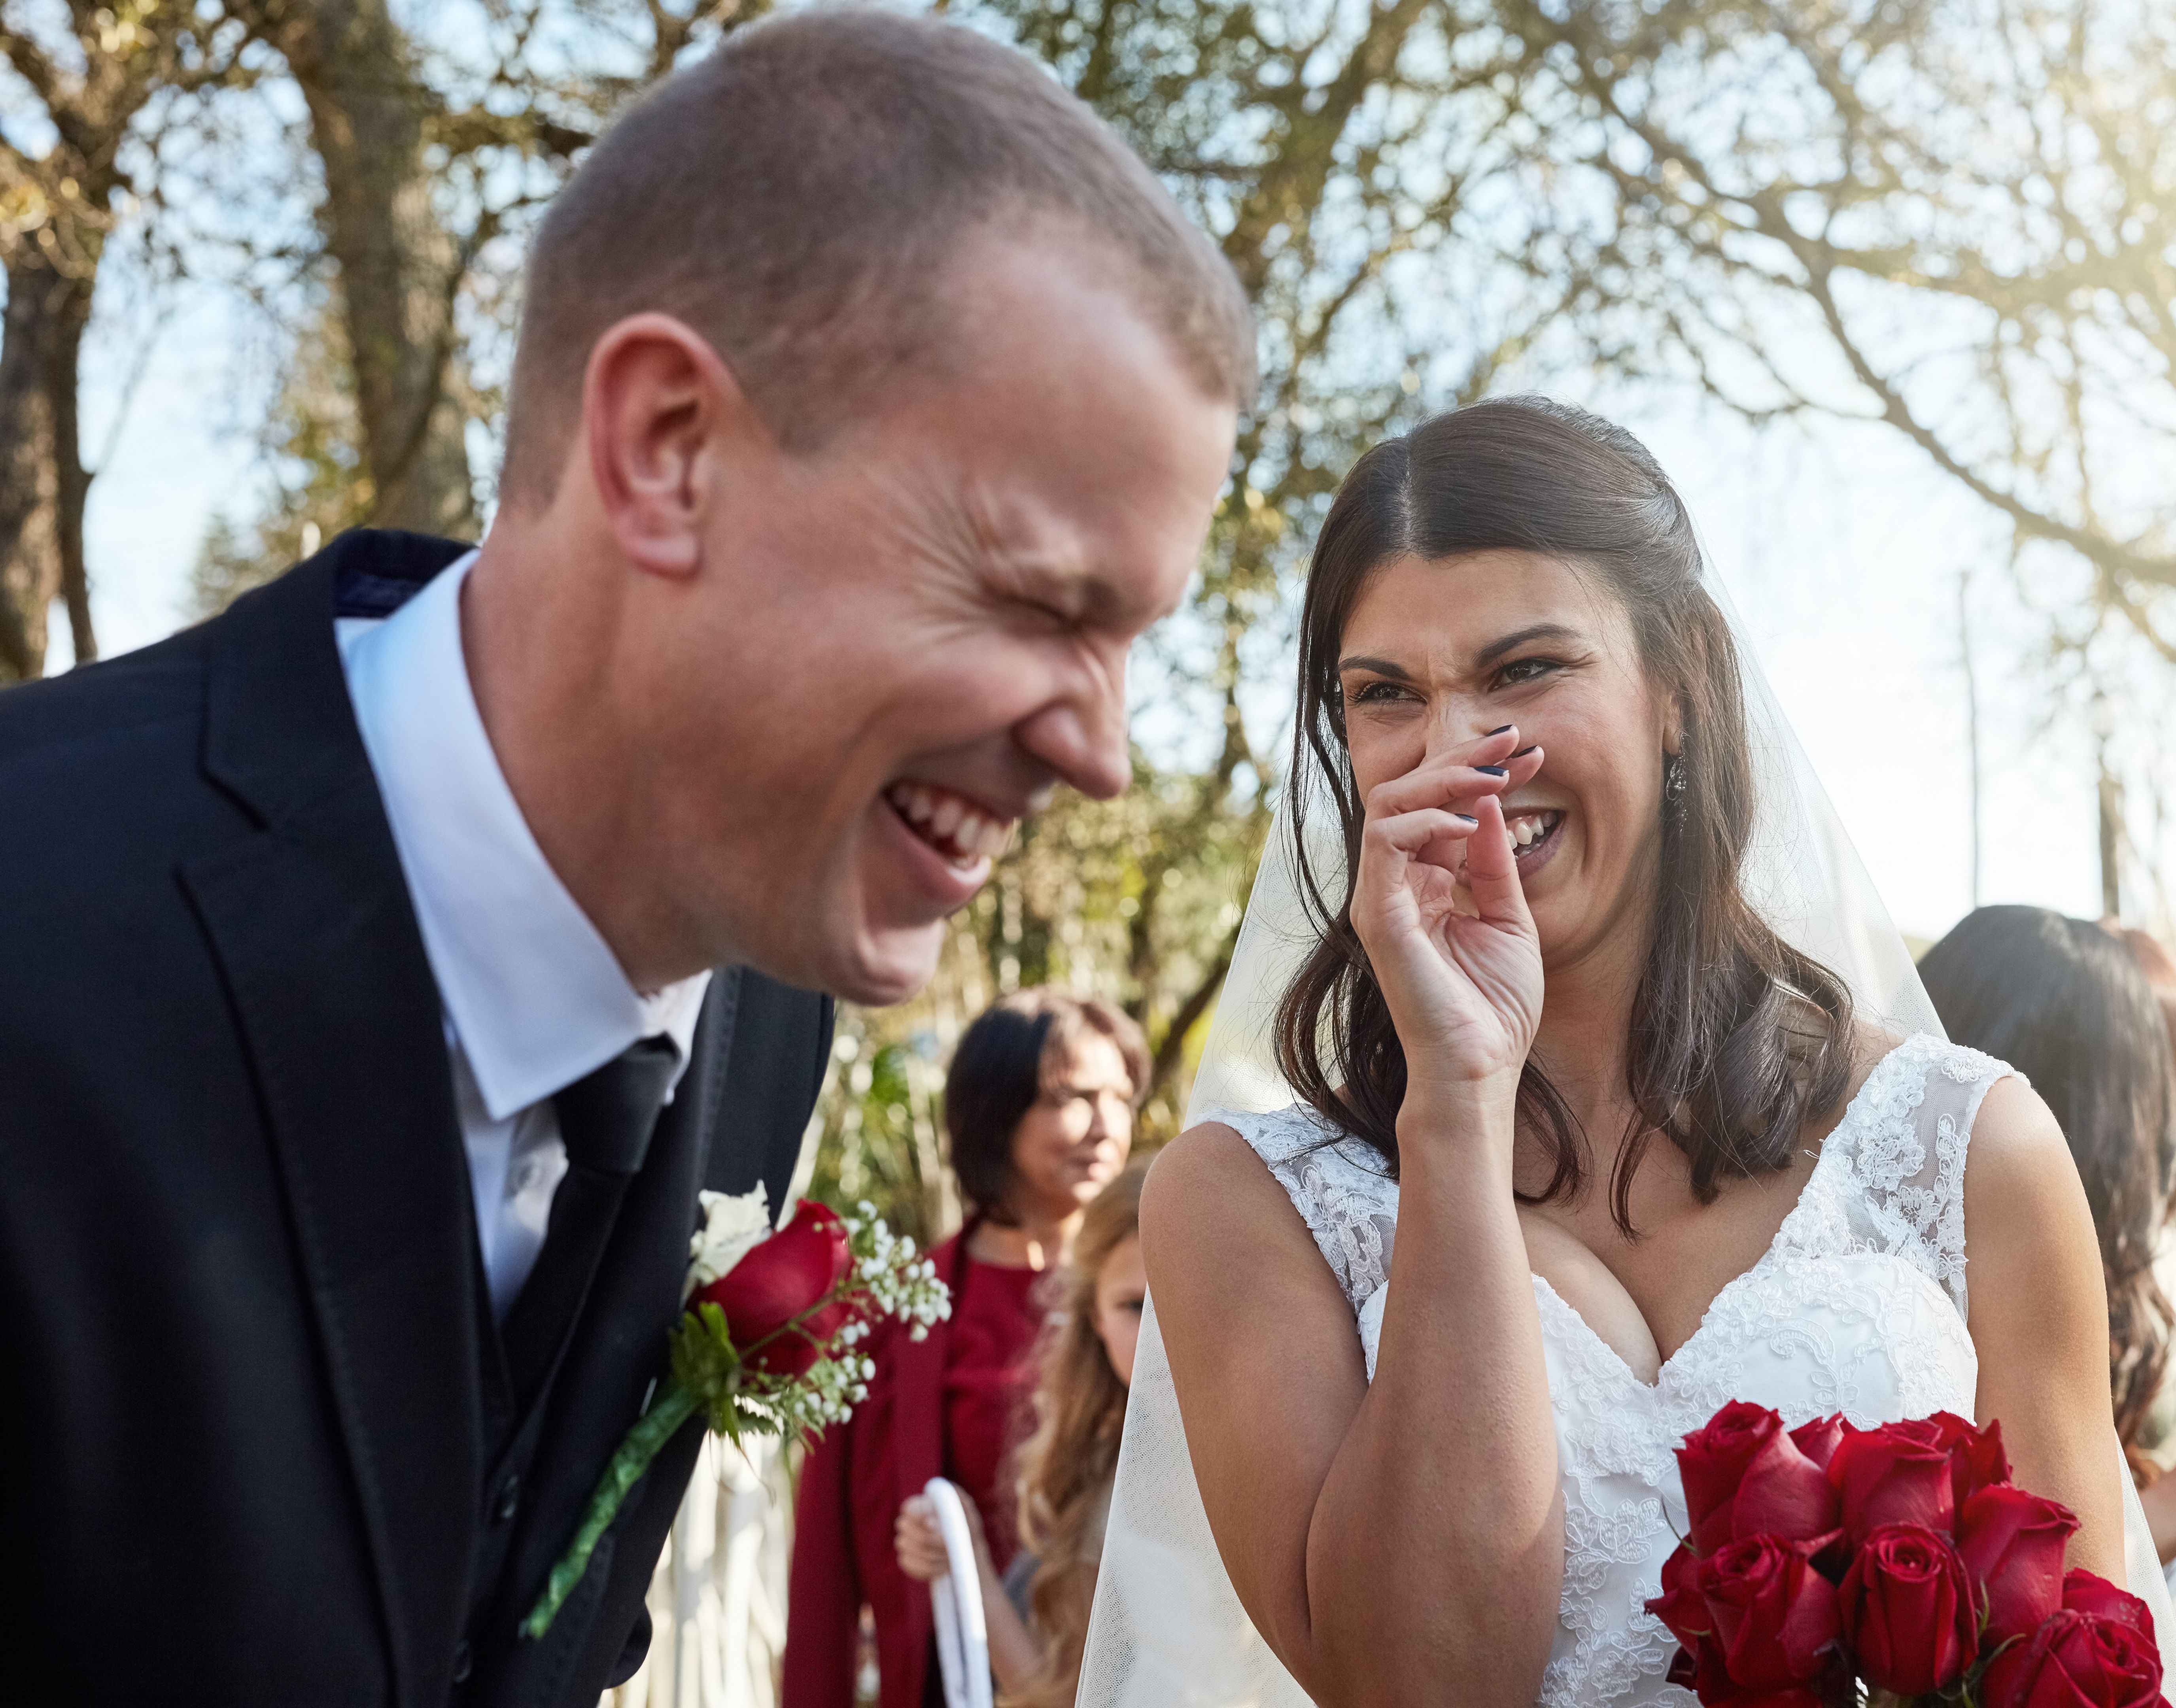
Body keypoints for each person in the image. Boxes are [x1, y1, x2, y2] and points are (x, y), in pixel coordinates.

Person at [0, 10, 1249, 1704]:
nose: (1103, 757)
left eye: (1133, 645)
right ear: (669, 448)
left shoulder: (769, 1007)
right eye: (1040, 603)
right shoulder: (39, 918)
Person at [1088, 398, 2176, 1707]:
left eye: (1525, 670)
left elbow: (2082, 1671)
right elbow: (1422, 1692)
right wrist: (1456, 1102)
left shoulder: (1969, 1147)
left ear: (1681, 688)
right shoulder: (1244, 1205)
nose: (1457, 755)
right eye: (1385, 695)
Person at [1919, 908, 2176, 1707]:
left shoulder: (2138, 1287)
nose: (2165, 1150)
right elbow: (1962, 1623)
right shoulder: (1899, 1324)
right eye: (2149, 1112)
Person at [786, 991, 1147, 1708]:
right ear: (996, 1111)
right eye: (1071, 1098)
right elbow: (824, 1568)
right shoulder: (887, 1313)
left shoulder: (1168, 1295)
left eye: (1120, 1097)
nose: (1107, 1126)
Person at [887, 1157, 1153, 1708]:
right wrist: (964, 1560)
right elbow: (1056, 1695)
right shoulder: (1099, 1473)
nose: (1160, 1333)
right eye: (1135, 1306)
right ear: (1096, 1317)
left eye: (1185, 1302)